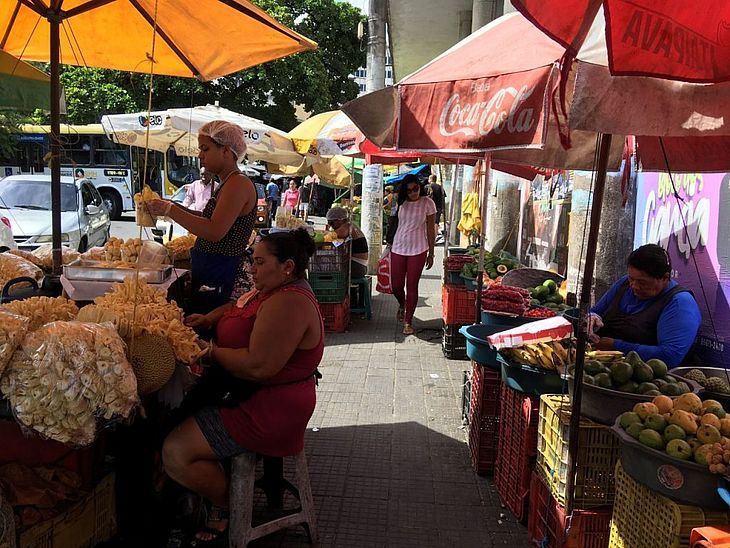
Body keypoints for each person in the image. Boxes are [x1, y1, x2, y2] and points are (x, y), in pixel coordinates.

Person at [161, 229, 322, 546]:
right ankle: (215, 488)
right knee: (174, 416)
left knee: (174, 452)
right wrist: (209, 319)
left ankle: (229, 504)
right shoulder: (271, 289)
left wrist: (210, 352)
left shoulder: (289, 302)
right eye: (253, 261)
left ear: (287, 266)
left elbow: (258, 366)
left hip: (268, 408)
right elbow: (239, 306)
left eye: (260, 262)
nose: (252, 269)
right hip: (249, 393)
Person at [146, 120, 257, 315]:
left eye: (205, 149)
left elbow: (214, 230)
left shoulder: (238, 184)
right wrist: (170, 206)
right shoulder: (226, 182)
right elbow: (207, 219)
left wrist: (170, 209)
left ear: (225, 151)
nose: (200, 155)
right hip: (212, 270)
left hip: (222, 271)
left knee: (207, 331)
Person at [587, 243, 702, 367]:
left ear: (665, 278)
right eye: (631, 279)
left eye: (642, 282)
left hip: (650, 379)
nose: (634, 286)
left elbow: (670, 356)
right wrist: (592, 318)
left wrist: (616, 345)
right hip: (605, 367)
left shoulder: (680, 304)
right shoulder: (624, 284)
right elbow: (596, 311)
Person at [390, 174, 436, 335]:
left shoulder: (428, 203)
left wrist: (432, 252)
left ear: (419, 186)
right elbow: (394, 223)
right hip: (398, 246)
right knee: (395, 285)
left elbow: (431, 229)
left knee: (412, 286)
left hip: (419, 248)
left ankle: (408, 322)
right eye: (409, 190)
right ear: (405, 191)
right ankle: (403, 305)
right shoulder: (400, 202)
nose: (413, 193)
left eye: (415, 189)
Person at [325, 207, 369, 278]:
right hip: (358, 265)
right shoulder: (351, 226)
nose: (331, 226)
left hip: (357, 266)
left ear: (340, 220)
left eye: (331, 223)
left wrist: (325, 233)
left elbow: (334, 235)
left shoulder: (348, 226)